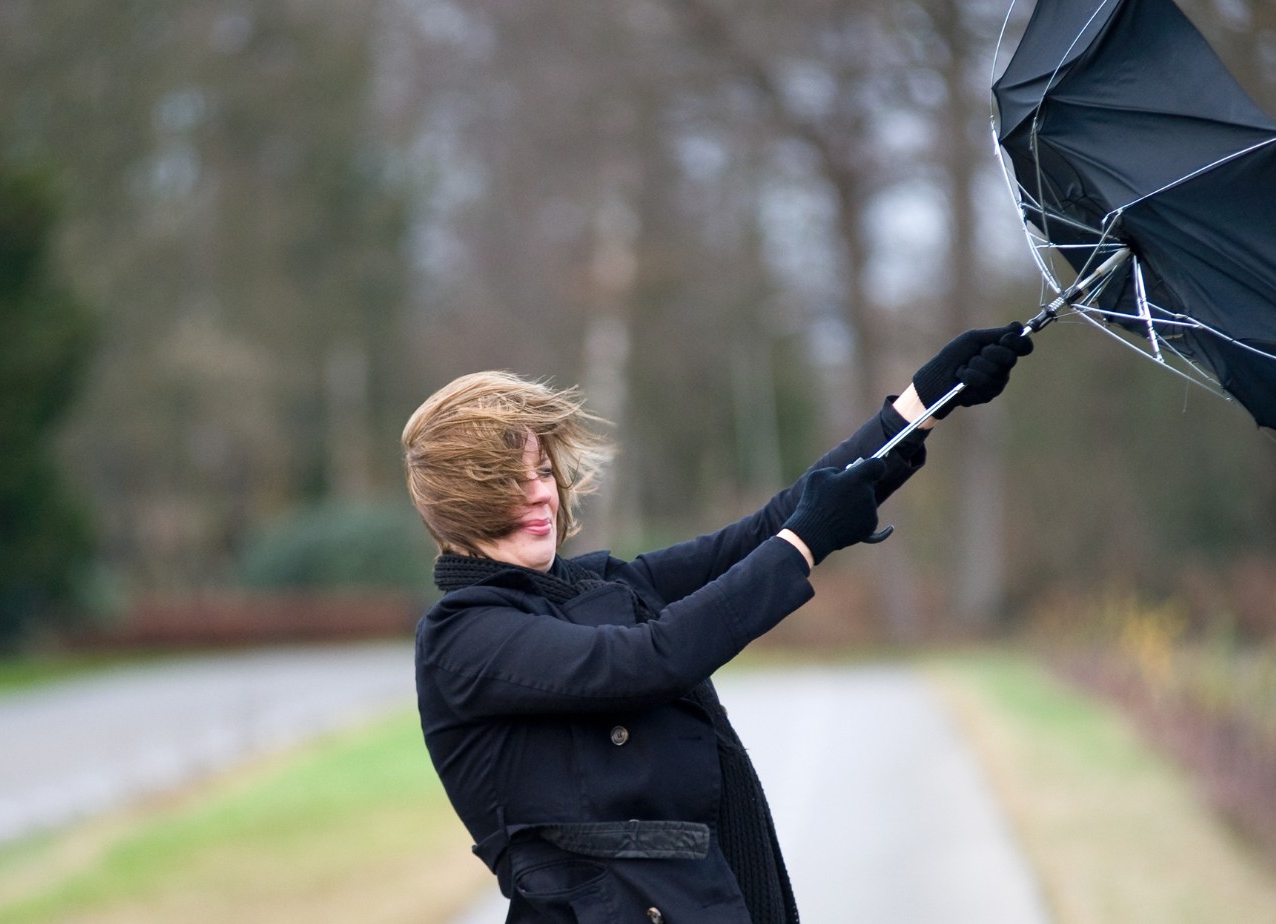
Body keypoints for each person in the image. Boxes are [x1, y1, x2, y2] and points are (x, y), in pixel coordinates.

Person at [402, 324, 1033, 924]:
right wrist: (804, 542)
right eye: (509, 481)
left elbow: (764, 530)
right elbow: (647, 660)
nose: (541, 493)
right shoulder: (462, 639)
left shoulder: (598, 586)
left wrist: (921, 406)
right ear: (461, 502)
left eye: (542, 471)